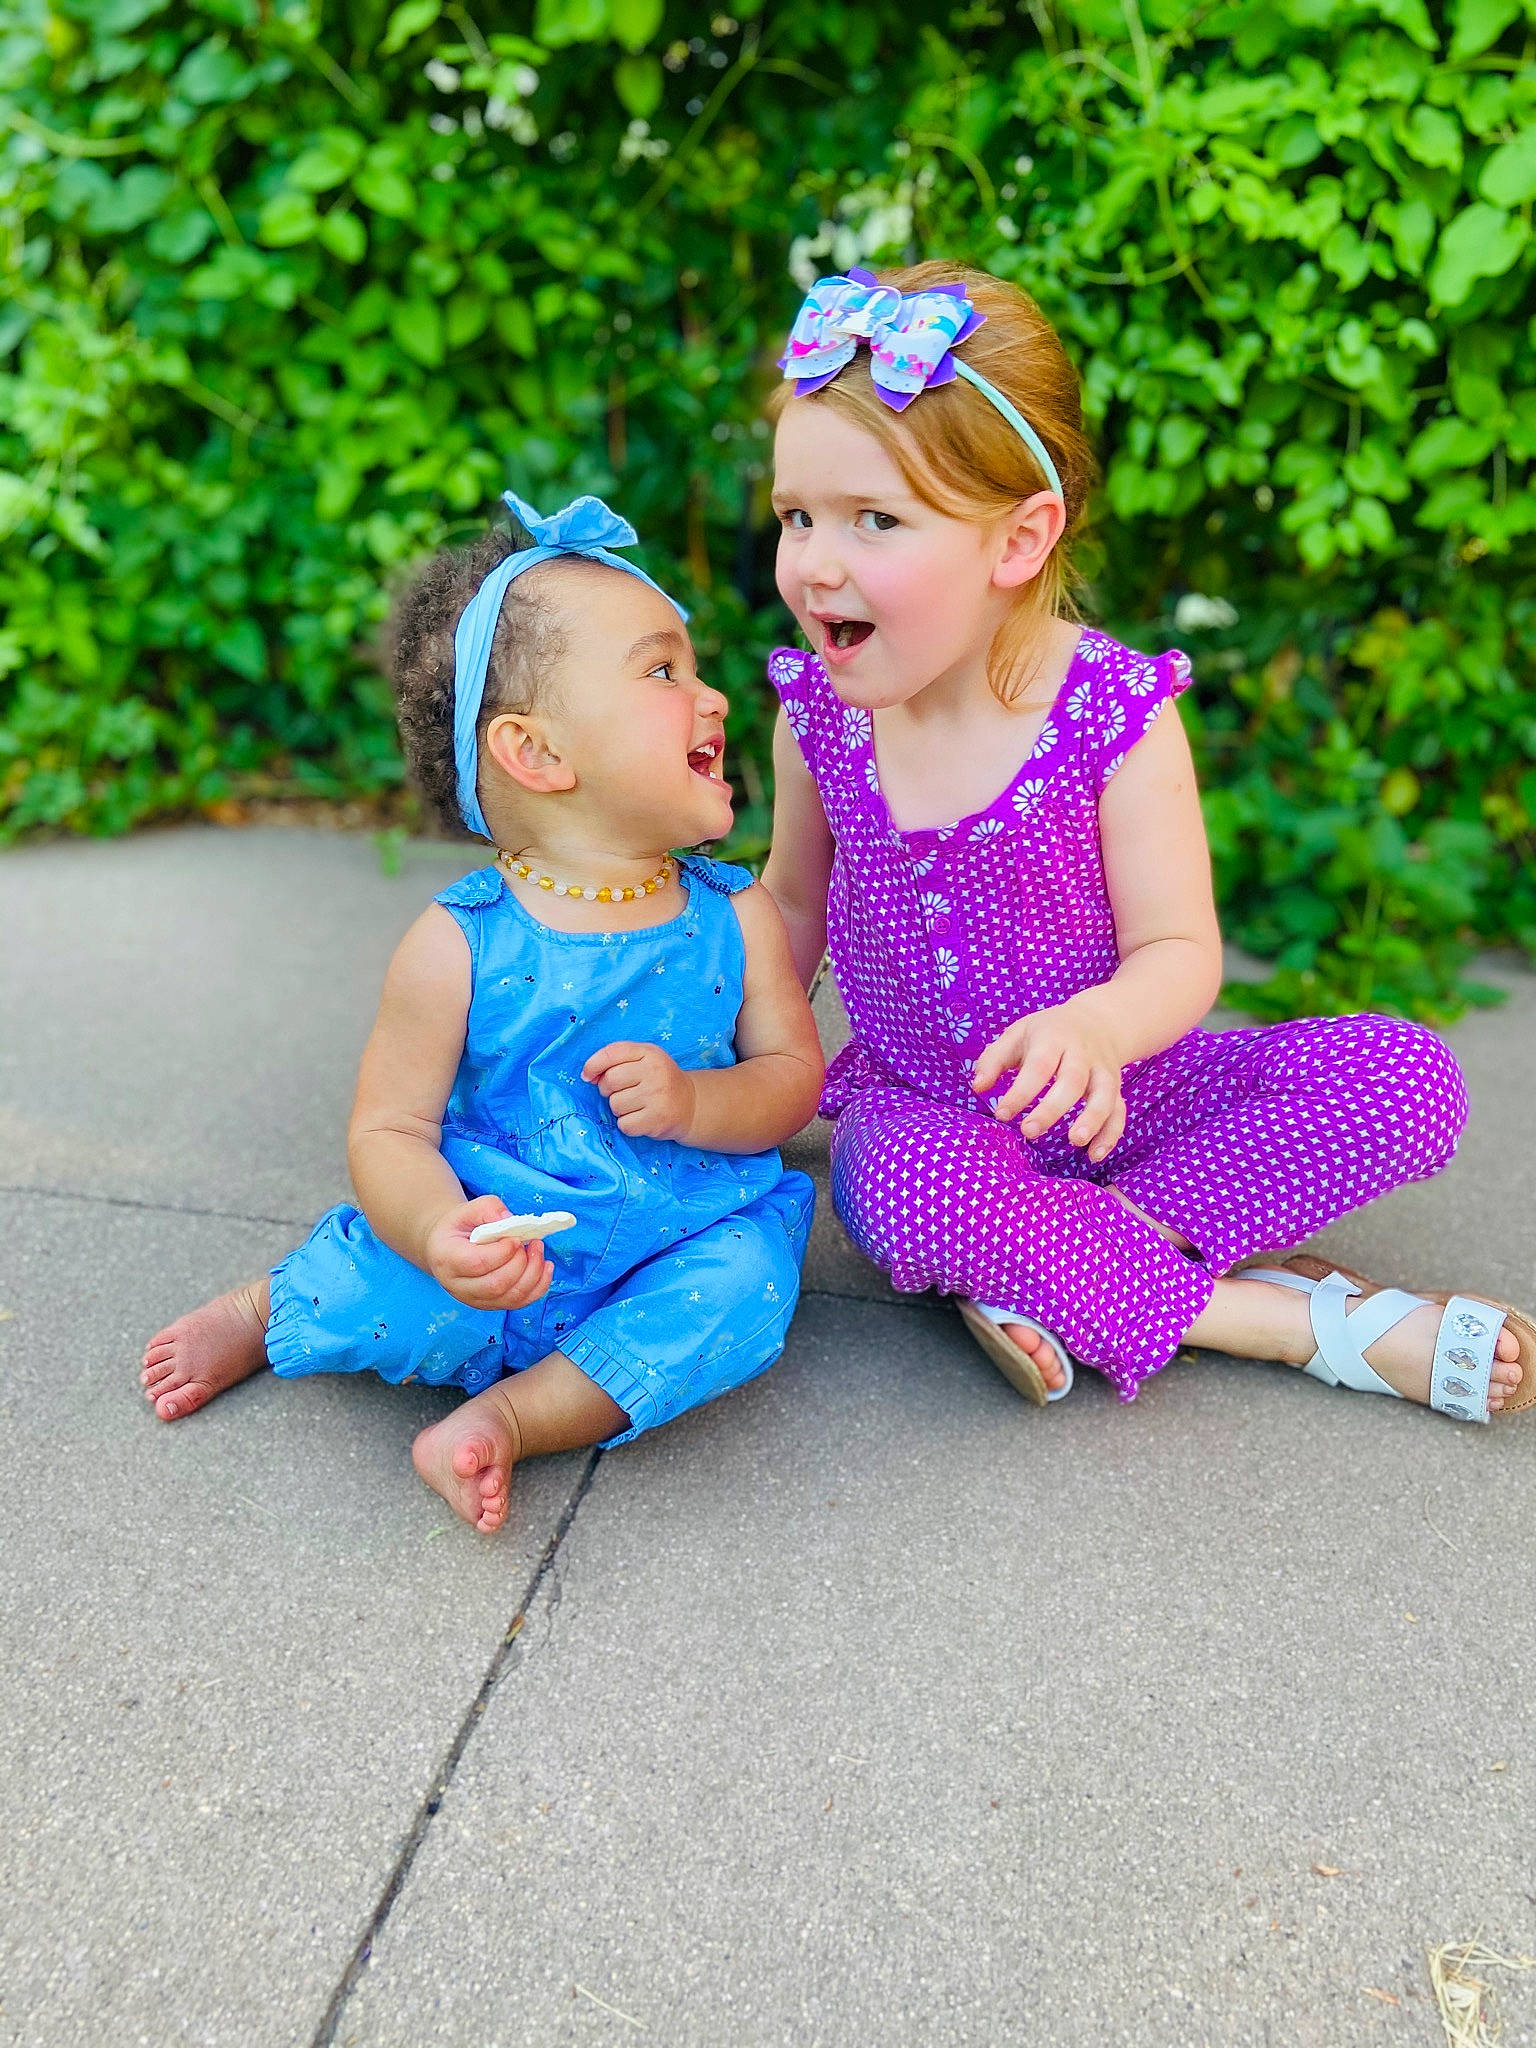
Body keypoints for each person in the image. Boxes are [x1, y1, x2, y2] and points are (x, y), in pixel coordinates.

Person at [760, 262, 1532, 1424]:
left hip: (1138, 1097)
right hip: (935, 1115)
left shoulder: (1111, 712)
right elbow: (788, 914)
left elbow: (1180, 950)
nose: (816, 562)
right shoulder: (820, 715)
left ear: (1019, 539)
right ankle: (1289, 1322)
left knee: (1407, 1078)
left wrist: (1097, 1028)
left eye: (876, 519)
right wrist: (718, 1074)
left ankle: (1064, 1263)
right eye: (797, 515)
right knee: (899, 1187)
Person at [141, 492, 821, 1529]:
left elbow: (790, 1081)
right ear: (538, 753)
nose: (714, 697)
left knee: (750, 1287)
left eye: (693, 664)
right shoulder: (457, 942)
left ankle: (512, 1418)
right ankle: (268, 1304)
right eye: (662, 672)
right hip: (492, 1232)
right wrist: (438, 1227)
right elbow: (390, 1129)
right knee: (392, 1279)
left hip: (669, 1238)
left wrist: (697, 1101)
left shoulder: (736, 917)